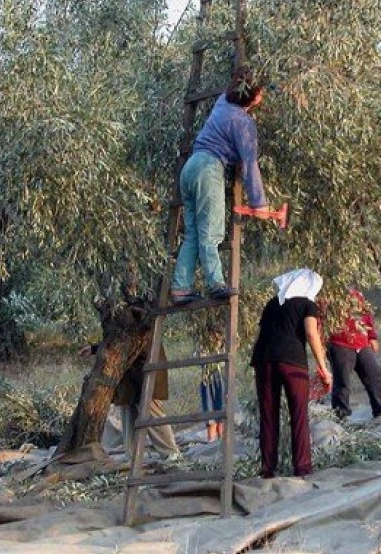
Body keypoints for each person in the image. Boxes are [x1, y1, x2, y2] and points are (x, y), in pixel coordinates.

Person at [171, 65, 270, 305]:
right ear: (255, 97)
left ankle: (180, 288)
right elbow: (249, 163)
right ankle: (215, 283)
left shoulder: (222, 103)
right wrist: (260, 203)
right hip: (208, 170)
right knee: (211, 231)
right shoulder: (244, 123)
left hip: (190, 168)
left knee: (193, 232)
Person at [249, 268, 332, 478]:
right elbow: (311, 333)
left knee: (268, 416)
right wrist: (323, 366)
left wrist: (258, 360)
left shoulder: (272, 304)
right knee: (299, 415)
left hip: (264, 361)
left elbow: (258, 337)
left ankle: (267, 468)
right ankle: (302, 467)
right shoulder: (307, 304)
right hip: (292, 361)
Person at [79, 343, 180, 460]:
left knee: (152, 413)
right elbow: (117, 337)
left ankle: (170, 453)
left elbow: (126, 338)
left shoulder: (144, 325)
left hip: (146, 371)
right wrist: (94, 349)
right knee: (129, 415)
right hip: (130, 375)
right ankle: (132, 457)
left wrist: (96, 349)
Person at [326, 289, 381, 422]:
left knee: (375, 374)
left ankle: (380, 411)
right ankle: (341, 416)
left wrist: (372, 336)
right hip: (340, 343)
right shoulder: (328, 295)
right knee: (342, 381)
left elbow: (365, 314)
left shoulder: (357, 294)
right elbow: (322, 321)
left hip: (362, 342)